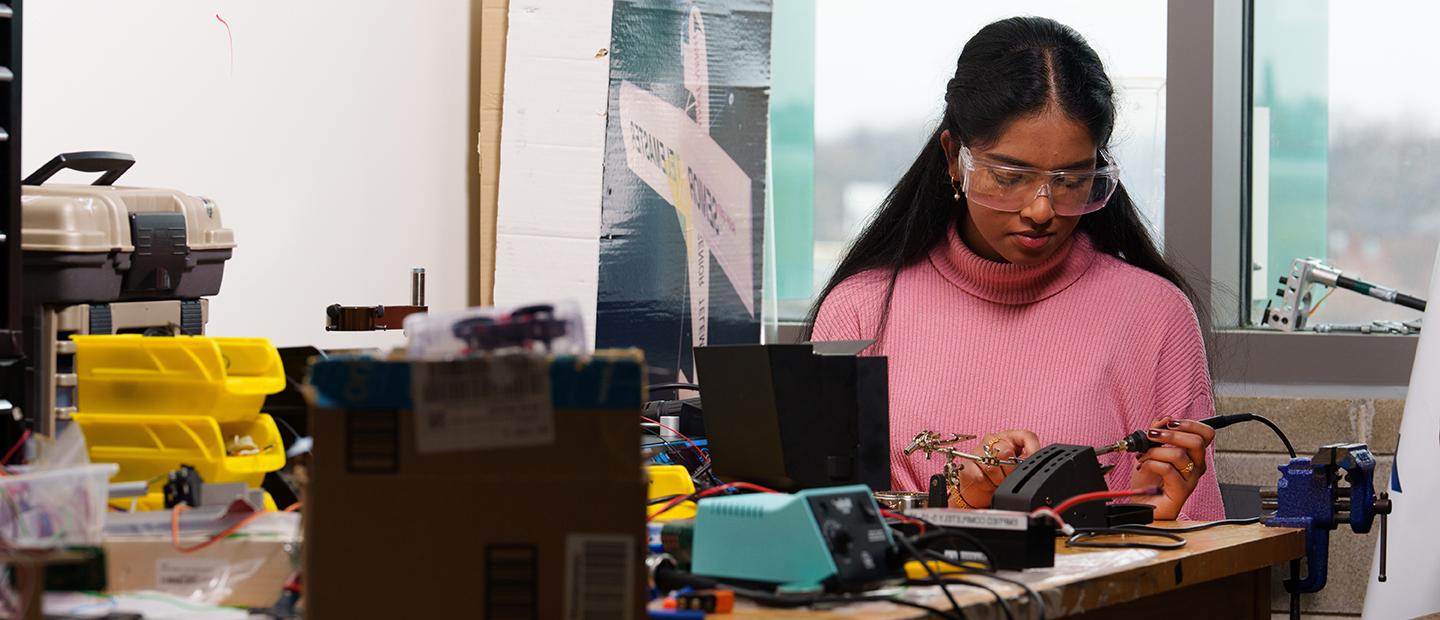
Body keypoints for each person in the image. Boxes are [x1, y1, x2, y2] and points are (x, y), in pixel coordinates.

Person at [806, 16, 1223, 520]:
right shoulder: (860, 311)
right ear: (953, 158)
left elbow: (1203, 543)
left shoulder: (1155, 316)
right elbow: (826, 531)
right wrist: (962, 511)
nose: (1042, 209)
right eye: (1010, 176)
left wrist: (1141, 519)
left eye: (1071, 180)